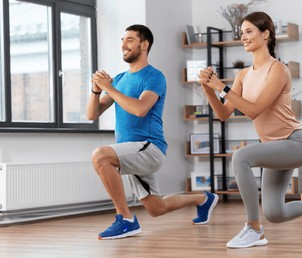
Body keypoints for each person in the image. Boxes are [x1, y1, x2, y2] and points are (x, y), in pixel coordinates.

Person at [198, 12, 302, 248]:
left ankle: (253, 228)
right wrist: (208, 90)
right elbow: (224, 114)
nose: (243, 36)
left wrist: (220, 86)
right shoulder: (243, 75)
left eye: (249, 31)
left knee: (241, 156)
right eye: (241, 32)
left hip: (295, 143)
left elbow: (254, 110)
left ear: (266, 34)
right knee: (275, 212)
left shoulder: (278, 70)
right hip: (273, 147)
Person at [87, 24, 218, 240]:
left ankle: (126, 220)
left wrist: (109, 88)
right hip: (130, 152)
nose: (123, 45)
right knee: (156, 208)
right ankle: (203, 199)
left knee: (100, 156)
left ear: (144, 44)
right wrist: (96, 89)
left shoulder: (154, 77)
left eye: (129, 40)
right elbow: (92, 114)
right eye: (122, 40)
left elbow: (140, 109)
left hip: (149, 149)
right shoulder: (119, 79)